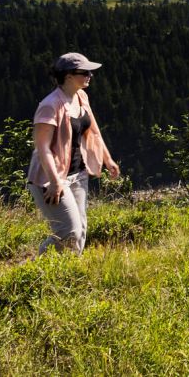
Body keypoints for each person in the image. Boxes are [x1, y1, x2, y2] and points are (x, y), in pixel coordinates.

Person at [27, 52, 121, 254]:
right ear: (68, 75)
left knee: (81, 231)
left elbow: (93, 131)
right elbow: (42, 147)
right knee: (68, 231)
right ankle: (34, 271)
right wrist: (54, 181)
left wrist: (108, 159)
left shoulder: (81, 96)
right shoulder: (50, 105)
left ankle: (68, 275)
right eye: (84, 72)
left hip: (78, 174)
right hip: (50, 178)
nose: (90, 76)